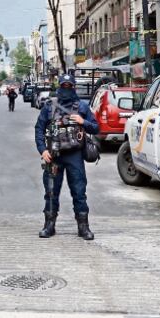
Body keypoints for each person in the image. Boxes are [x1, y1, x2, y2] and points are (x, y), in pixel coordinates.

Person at [34, 73, 100, 240]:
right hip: (54, 156)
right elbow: (39, 129)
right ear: (59, 86)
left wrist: (82, 121)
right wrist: (43, 150)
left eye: (69, 86)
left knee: (79, 192)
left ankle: (83, 227)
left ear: (73, 87)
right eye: (63, 86)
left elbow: (96, 128)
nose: (66, 89)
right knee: (50, 192)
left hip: (74, 156)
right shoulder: (49, 106)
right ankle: (49, 225)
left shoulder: (83, 107)